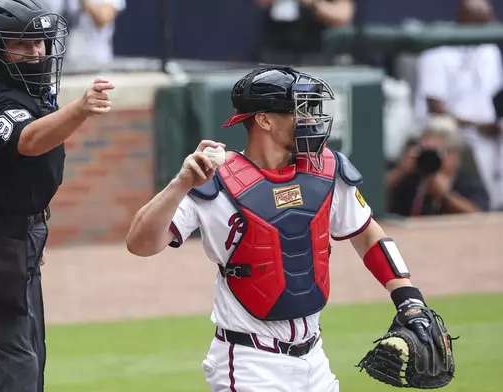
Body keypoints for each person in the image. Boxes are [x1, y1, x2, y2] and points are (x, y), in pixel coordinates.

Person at [125, 66, 454, 392]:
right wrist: (180, 184)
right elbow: (140, 244)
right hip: (250, 364)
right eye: (300, 112)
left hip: (315, 360)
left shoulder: (325, 169)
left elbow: (368, 234)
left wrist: (408, 299)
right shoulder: (212, 180)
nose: (311, 121)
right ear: (265, 120)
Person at [0, 1, 114, 391]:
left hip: (14, 236)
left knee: (31, 359)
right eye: (23, 44)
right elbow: (28, 141)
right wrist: (81, 109)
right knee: (14, 370)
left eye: (41, 43)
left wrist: (27, 230)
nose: (36, 52)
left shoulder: (24, 87)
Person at [414, 0, 503, 211]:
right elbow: (435, 107)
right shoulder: (437, 50)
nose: (487, 26)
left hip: (487, 133)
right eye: (481, 21)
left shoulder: (490, 49)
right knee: (447, 130)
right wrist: (477, 126)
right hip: (450, 135)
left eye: (489, 20)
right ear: (463, 19)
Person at [387, 115, 489, 216]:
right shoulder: (411, 179)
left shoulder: (466, 182)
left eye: (436, 153)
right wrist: (401, 170)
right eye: (426, 152)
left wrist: (446, 196)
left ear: (453, 154)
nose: (430, 159)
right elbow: (376, 198)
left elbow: (479, 215)